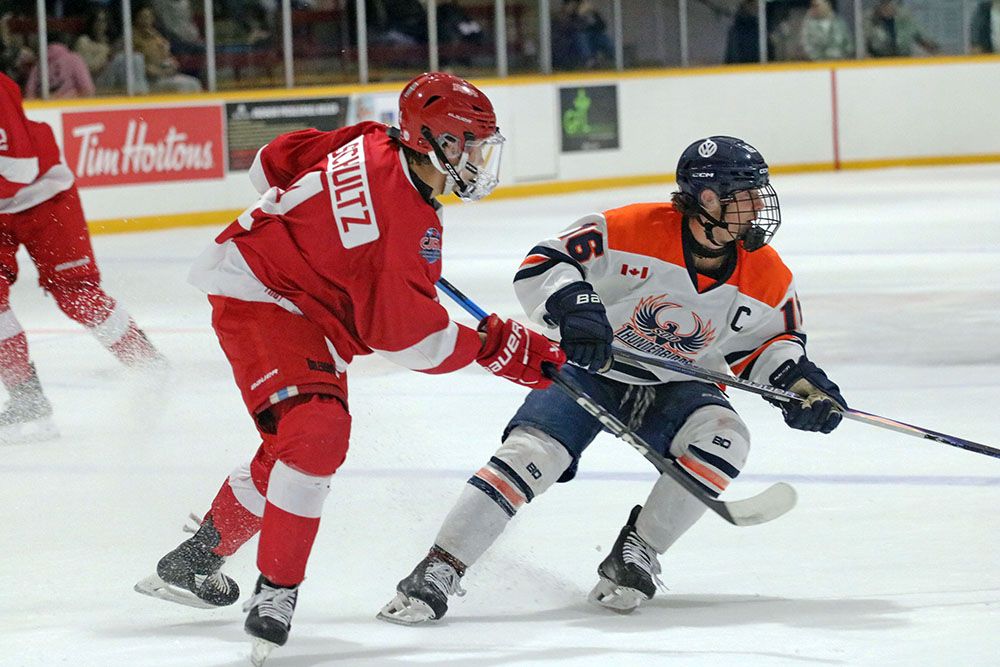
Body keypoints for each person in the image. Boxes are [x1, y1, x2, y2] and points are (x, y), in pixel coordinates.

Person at [133, 72, 566, 664]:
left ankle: (197, 559)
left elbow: (270, 164)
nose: (478, 158)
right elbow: (408, 339)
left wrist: (330, 234)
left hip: (311, 312)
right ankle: (276, 594)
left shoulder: (372, 136)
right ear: (433, 140)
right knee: (316, 437)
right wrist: (497, 346)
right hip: (264, 295)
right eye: (468, 143)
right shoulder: (407, 224)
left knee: (296, 440)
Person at [378, 135, 847, 624]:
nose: (757, 206)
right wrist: (574, 306)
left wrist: (800, 390)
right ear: (707, 198)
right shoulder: (631, 228)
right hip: (590, 370)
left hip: (674, 382)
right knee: (530, 456)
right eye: (746, 194)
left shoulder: (767, 273)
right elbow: (545, 263)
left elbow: (768, 344)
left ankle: (636, 554)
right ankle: (439, 568)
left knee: (726, 439)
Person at [0, 72, 164, 443]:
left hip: (44, 197)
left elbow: (21, 167)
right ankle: (27, 400)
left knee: (76, 294)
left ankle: (148, 365)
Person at [24, 32, 96, 99]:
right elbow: (88, 90)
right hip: (69, 108)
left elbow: (29, 94)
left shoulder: (38, 64)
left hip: (44, 109)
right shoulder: (74, 59)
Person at [866, 0, 939, 58]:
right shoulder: (868, 20)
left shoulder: (905, 18)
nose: (887, 5)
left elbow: (923, 39)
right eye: (883, 2)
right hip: (878, 65)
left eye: (890, 2)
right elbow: (859, 48)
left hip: (904, 64)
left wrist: (935, 51)